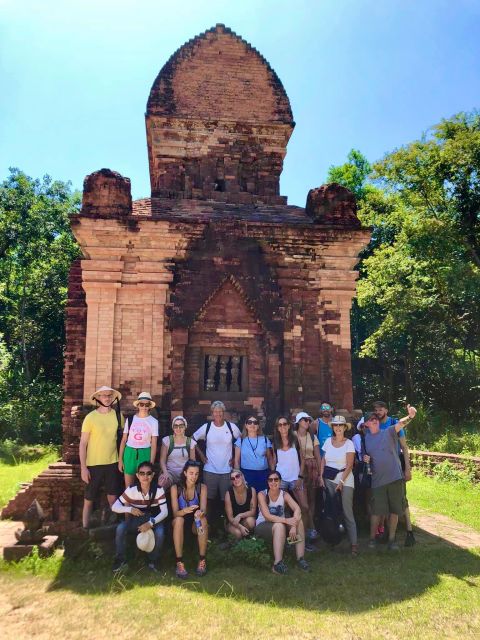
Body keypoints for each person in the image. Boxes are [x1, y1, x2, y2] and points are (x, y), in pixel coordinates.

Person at [363, 405, 417, 550]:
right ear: (366, 424)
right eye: (371, 419)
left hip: (395, 478)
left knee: (394, 511)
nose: (374, 420)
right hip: (377, 481)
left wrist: (410, 416)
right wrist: (365, 458)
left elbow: (400, 424)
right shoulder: (366, 439)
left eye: (376, 418)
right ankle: (372, 539)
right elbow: (364, 457)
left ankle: (392, 541)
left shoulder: (387, 432)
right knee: (376, 512)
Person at [79, 385, 123, 529]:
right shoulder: (90, 418)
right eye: (104, 395)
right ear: (98, 398)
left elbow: (123, 439)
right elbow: (83, 444)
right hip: (93, 463)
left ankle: (114, 528)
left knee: (113, 496)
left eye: (109, 395)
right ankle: (85, 528)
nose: (107, 398)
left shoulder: (118, 416)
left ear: (113, 398)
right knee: (89, 497)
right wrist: (83, 468)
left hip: (113, 462)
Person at [111, 461, 168, 572]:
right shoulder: (131, 490)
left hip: (153, 519)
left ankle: (154, 560)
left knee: (160, 533)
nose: (145, 476)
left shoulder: (159, 490)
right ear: (137, 475)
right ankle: (120, 561)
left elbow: (164, 512)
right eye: (142, 473)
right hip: (136, 520)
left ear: (152, 475)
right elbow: (114, 507)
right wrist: (130, 509)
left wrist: (150, 523)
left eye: (148, 473)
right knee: (120, 528)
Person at [192, 401, 241, 526]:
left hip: (227, 471)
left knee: (226, 500)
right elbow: (192, 439)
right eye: (215, 411)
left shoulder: (231, 427)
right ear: (212, 413)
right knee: (208, 500)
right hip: (210, 470)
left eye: (220, 411)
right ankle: (206, 525)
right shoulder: (207, 427)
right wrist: (201, 455)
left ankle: (226, 525)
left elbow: (241, 440)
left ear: (223, 413)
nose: (218, 413)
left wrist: (235, 456)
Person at [255, 470, 309, 574]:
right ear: (267, 482)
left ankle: (300, 558)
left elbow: (297, 509)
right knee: (279, 526)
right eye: (270, 480)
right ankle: (277, 564)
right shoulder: (262, 494)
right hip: (263, 527)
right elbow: (267, 516)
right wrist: (287, 521)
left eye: (276, 479)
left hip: (281, 526)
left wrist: (293, 525)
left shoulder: (284, 494)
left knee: (299, 523)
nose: (273, 482)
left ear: (280, 482)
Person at [320, 415, 358, 556]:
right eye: (335, 425)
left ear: (344, 427)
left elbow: (349, 465)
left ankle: (353, 543)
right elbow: (323, 460)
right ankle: (333, 539)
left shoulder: (349, 443)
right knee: (331, 510)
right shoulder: (328, 442)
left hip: (345, 478)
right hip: (329, 478)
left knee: (347, 511)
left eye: (340, 425)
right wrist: (320, 476)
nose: (338, 428)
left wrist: (341, 482)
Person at [272, 415, 311, 546]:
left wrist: (300, 477)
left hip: (296, 478)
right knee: (283, 510)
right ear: (277, 428)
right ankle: (288, 540)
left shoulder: (295, 440)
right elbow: (274, 462)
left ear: (289, 426)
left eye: (284, 424)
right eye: (280, 425)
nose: (282, 427)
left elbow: (303, 460)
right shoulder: (275, 443)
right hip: (281, 480)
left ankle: (303, 537)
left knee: (304, 507)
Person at [170, 460, 209, 578]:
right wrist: (185, 511)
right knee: (179, 520)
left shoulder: (202, 487)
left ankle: (202, 560)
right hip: (179, 520)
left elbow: (203, 510)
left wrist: (199, 514)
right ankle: (179, 562)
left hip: (194, 522)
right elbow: (175, 513)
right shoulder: (175, 488)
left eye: (196, 474)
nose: (194, 476)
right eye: (191, 473)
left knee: (202, 521)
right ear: (185, 473)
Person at [118, 392, 158, 489]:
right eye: (141, 404)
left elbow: (154, 444)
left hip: (145, 453)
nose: (144, 407)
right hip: (130, 452)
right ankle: (129, 503)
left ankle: (144, 504)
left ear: (150, 406)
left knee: (145, 485)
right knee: (129, 486)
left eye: (147, 404)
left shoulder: (153, 421)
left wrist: (151, 463)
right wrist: (120, 460)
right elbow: (123, 440)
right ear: (138, 405)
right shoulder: (130, 419)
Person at [294, 411, 322, 543]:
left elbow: (317, 455)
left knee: (312, 499)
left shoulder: (312, 436)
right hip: (299, 468)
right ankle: (311, 527)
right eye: (305, 420)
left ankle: (309, 529)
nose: (307, 422)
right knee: (302, 502)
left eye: (309, 420)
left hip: (312, 468)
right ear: (299, 421)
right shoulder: (293, 436)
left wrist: (320, 473)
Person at [233, 414, 274, 492]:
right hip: (246, 474)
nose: (252, 424)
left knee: (262, 498)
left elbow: (270, 459)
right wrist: (237, 476)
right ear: (246, 425)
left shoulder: (265, 440)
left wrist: (273, 474)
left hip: (263, 475)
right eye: (249, 422)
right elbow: (236, 461)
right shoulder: (240, 440)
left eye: (255, 422)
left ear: (258, 426)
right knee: (250, 498)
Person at [158, 416, 195, 488]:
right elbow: (162, 460)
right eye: (176, 426)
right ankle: (160, 499)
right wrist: (165, 473)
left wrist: (189, 475)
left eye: (181, 426)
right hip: (170, 472)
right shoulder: (167, 441)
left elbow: (193, 462)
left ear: (185, 427)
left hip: (185, 473)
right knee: (161, 482)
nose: (178, 428)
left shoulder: (190, 442)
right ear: (173, 427)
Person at [224, 469, 257, 540]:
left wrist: (240, 515)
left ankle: (247, 539)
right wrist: (240, 527)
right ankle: (235, 543)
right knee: (238, 533)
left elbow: (253, 511)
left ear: (242, 476)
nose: (235, 479)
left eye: (237, 476)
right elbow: (230, 518)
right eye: (233, 478)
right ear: (231, 481)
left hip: (245, 519)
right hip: (232, 522)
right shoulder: (229, 493)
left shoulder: (251, 490)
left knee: (251, 521)